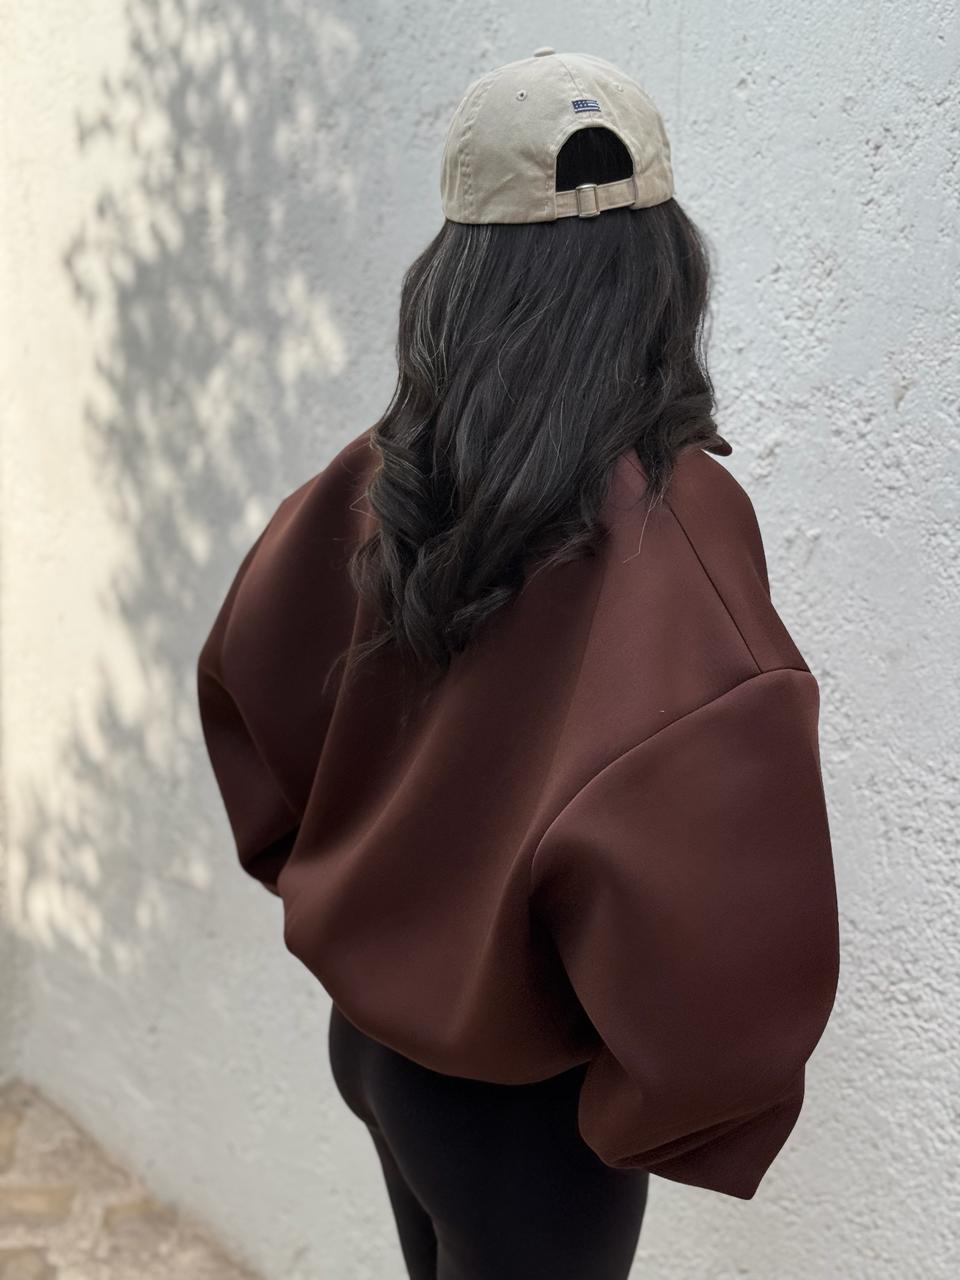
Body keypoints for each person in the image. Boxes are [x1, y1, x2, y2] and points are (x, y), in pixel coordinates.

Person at [196, 48, 841, 1280]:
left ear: (457, 265)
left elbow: (247, 682)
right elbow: (725, 928)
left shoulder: (384, 476)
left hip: (378, 1051)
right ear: (668, 267)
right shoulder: (674, 526)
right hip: (530, 1123)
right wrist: (643, 1104)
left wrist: (353, 899)